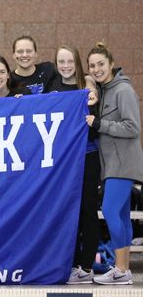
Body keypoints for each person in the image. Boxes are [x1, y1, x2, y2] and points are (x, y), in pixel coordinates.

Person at [42, 45, 101, 284]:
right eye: (61, 62)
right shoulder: (52, 84)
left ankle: (86, 266)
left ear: (77, 62)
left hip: (87, 154)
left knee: (87, 210)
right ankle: (73, 263)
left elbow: (96, 118)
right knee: (68, 212)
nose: (65, 66)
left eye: (70, 61)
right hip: (62, 159)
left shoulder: (86, 86)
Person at [86, 42, 143, 285]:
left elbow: (133, 127)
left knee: (109, 211)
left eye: (101, 64)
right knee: (120, 214)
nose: (97, 69)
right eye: (92, 66)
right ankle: (124, 270)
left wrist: (99, 124)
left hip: (123, 163)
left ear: (111, 64)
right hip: (113, 164)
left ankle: (120, 270)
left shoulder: (122, 91)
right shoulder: (106, 90)